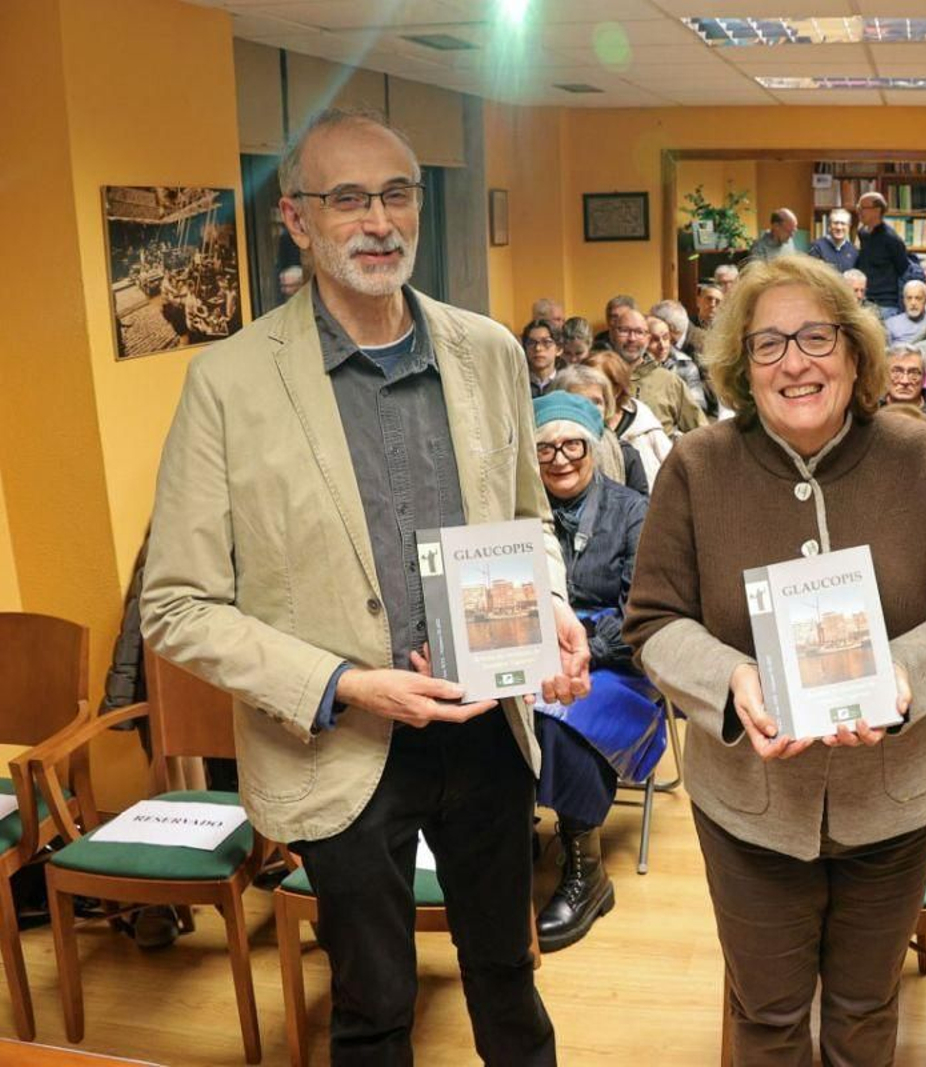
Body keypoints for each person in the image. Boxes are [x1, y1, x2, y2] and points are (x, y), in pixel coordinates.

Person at [139, 107, 591, 1067]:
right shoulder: (230, 382)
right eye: (347, 198)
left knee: (508, 982)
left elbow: (529, 523)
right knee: (375, 1007)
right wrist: (347, 682)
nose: (377, 220)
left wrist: (548, 602)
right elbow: (175, 605)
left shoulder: (489, 353)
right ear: (298, 221)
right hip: (338, 745)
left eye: (396, 194)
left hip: (485, 730)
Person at [622, 254, 926, 1066]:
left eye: (816, 337)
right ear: (741, 367)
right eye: (768, 345)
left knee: (866, 1012)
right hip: (750, 806)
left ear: (856, 352)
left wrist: (903, 674)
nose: (795, 361)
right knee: (767, 1017)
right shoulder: (697, 467)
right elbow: (653, 621)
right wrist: (733, 679)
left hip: (894, 801)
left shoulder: (920, 456)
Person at [528, 392, 662, 952]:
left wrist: (580, 649)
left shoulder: (635, 511)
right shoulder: (522, 515)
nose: (559, 458)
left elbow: (643, 616)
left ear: (595, 447)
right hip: (536, 654)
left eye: (572, 444)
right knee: (487, 707)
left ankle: (587, 868)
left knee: (561, 715)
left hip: (621, 662)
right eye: (545, 449)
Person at [551, 363, 650, 496]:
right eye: (579, 401)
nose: (590, 408)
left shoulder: (625, 453)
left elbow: (640, 507)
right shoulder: (544, 453)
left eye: (596, 402)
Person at [612, 306, 705, 438]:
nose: (631, 338)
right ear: (612, 333)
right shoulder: (597, 377)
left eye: (639, 332)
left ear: (646, 338)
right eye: (624, 331)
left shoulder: (669, 381)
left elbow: (700, 431)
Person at [590, 348, 673, 488]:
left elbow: (673, 467)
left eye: (600, 385)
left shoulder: (643, 423)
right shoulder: (578, 427)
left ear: (616, 389)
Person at [854, 190, 910, 319]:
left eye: (863, 208)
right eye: (859, 207)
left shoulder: (891, 239)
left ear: (877, 210)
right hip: (864, 301)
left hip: (885, 304)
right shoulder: (863, 233)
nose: (859, 212)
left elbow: (903, 269)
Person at [646, 312, 711, 415]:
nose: (662, 345)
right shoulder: (631, 368)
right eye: (654, 340)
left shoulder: (685, 366)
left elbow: (698, 408)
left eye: (665, 337)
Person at [520, 317, 564, 398]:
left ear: (559, 349)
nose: (538, 348)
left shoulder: (566, 385)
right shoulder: (517, 384)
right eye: (531, 343)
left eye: (546, 342)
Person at [884, 279, 926, 346]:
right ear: (904, 301)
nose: (913, 303)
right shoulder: (890, 324)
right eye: (909, 298)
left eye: (918, 298)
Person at [808, 208, 858, 273]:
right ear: (829, 225)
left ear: (849, 226)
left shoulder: (853, 251)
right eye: (835, 223)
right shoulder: (817, 248)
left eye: (843, 224)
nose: (839, 227)